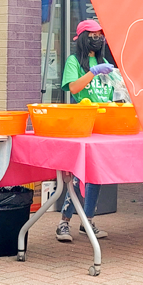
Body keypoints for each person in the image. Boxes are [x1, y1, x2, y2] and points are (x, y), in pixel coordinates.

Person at [54, 19, 121, 242]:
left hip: (104, 125)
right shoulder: (74, 62)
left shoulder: (105, 62)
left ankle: (88, 220)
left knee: (97, 176)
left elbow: (113, 93)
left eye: (101, 34)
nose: (98, 38)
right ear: (83, 38)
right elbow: (73, 87)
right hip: (83, 125)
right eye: (93, 35)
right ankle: (64, 222)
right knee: (77, 176)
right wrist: (92, 71)